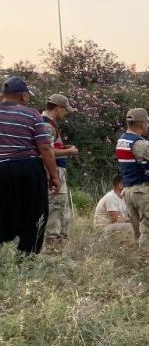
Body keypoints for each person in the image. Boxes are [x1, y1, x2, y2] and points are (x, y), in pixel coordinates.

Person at [0, 76, 60, 254]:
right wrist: (54, 176)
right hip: (27, 168)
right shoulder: (32, 114)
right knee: (35, 215)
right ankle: (27, 257)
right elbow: (44, 147)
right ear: (22, 96)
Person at [116, 108, 149, 257]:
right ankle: (147, 266)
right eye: (147, 122)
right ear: (141, 124)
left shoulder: (122, 140)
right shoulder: (142, 144)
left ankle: (140, 261)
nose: (148, 125)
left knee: (138, 231)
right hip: (144, 191)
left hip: (128, 190)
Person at [41, 93, 79, 245]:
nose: (66, 113)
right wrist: (68, 152)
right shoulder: (47, 125)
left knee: (61, 209)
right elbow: (46, 151)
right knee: (56, 209)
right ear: (58, 108)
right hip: (53, 171)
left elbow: (50, 147)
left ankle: (58, 244)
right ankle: (52, 247)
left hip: (54, 171)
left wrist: (63, 148)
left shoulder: (46, 123)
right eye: (65, 110)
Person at [93, 175, 133, 239]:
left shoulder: (123, 197)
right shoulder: (111, 197)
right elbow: (116, 219)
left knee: (138, 225)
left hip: (112, 225)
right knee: (132, 227)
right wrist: (132, 219)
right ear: (120, 185)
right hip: (103, 227)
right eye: (127, 183)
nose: (130, 185)